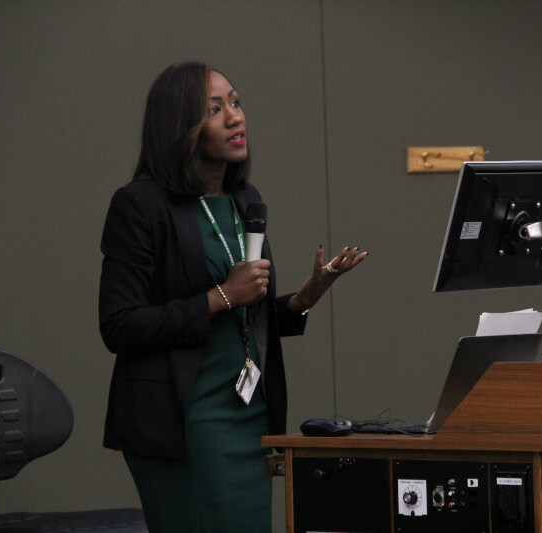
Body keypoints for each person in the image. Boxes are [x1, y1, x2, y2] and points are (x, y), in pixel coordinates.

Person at [98, 61, 367, 533]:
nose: (235, 117)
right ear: (179, 125)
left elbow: (244, 315)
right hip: (186, 422)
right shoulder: (140, 205)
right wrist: (222, 295)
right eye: (215, 109)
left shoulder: (244, 200)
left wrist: (301, 299)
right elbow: (120, 324)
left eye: (236, 103)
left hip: (249, 414)